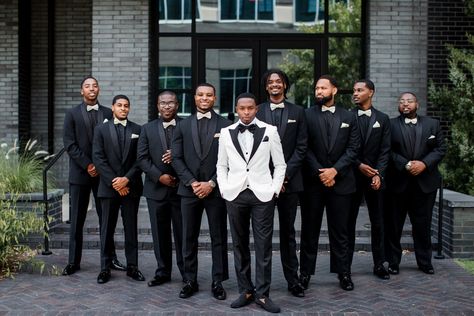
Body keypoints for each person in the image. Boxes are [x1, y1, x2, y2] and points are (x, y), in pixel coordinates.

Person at [217, 93, 286, 313]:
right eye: (242, 108)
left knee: (263, 245)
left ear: (257, 109)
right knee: (239, 243)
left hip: (262, 195)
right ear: (236, 109)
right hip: (235, 194)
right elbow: (221, 166)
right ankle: (245, 290)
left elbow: (280, 164)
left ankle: (263, 294)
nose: (246, 112)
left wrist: (274, 190)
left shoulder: (270, 131)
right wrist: (225, 189)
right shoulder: (227, 133)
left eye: (250, 108)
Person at [299, 75, 360, 291]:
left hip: (342, 183)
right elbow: (303, 147)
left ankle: (344, 273)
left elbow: (353, 149)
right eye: (316, 88)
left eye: (323, 88)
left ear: (334, 90)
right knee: (309, 231)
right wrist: (320, 172)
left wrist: (335, 170)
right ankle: (304, 273)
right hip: (313, 185)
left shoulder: (349, 117)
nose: (318, 92)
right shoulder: (306, 115)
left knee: (341, 231)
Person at [171, 83, 231, 300]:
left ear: (214, 98)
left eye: (208, 95)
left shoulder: (226, 125)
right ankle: (189, 280)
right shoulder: (182, 126)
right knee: (188, 237)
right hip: (189, 191)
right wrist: (192, 182)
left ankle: (218, 281)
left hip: (216, 191)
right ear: (194, 98)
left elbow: (230, 159)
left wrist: (212, 183)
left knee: (218, 236)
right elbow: (176, 158)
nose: (204, 98)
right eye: (200, 95)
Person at [62, 76, 125, 276]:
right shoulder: (71, 114)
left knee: (106, 220)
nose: (92, 89)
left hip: (103, 176)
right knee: (77, 219)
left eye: (95, 85)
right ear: (82, 91)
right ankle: (73, 261)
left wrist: (101, 167)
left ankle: (110, 259)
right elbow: (69, 144)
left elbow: (115, 142)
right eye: (87, 86)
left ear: (99, 89)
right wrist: (88, 164)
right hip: (80, 174)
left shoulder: (109, 112)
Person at [256, 69, 307, 297]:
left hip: (290, 183)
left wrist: (283, 176)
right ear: (266, 87)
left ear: (285, 85)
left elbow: (302, 147)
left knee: (288, 233)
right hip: (263, 183)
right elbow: (254, 149)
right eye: (270, 82)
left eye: (278, 81)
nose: (274, 84)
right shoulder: (256, 111)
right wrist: (271, 178)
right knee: (262, 234)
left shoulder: (299, 111)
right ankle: (261, 283)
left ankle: (293, 280)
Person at [384, 92, 446, 275]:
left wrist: (424, 164)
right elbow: (386, 150)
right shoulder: (391, 124)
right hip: (398, 183)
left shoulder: (432, 124)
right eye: (402, 102)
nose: (405, 104)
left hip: (424, 183)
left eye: (409, 101)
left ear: (417, 104)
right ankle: (393, 262)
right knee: (394, 226)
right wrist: (407, 164)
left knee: (423, 225)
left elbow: (441, 148)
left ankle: (425, 262)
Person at [92, 94, 144, 284]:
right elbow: (98, 158)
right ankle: (105, 268)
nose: (123, 108)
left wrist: (126, 180)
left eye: (126, 106)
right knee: (107, 228)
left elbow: (140, 159)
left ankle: (133, 267)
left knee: (131, 228)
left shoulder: (138, 129)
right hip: (108, 187)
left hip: (131, 188)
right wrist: (115, 181)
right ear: (112, 108)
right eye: (119, 105)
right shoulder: (101, 130)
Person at [137, 91, 184, 286]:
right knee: (159, 233)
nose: (167, 106)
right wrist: (160, 176)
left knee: (183, 233)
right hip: (156, 190)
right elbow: (142, 158)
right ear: (157, 106)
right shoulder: (147, 129)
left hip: (182, 190)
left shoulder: (186, 125)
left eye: (170, 103)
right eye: (163, 103)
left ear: (177, 105)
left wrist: (177, 155)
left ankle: (187, 274)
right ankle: (162, 271)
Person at [348, 79, 391, 279]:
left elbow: (385, 150)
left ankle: (379, 264)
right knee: (348, 223)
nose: (355, 93)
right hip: (352, 177)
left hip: (375, 178)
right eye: (354, 90)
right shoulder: (347, 117)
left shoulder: (383, 119)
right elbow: (344, 147)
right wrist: (358, 165)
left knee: (378, 222)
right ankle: (344, 267)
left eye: (360, 90)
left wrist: (378, 174)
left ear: (371, 92)